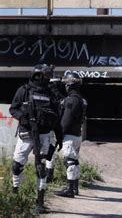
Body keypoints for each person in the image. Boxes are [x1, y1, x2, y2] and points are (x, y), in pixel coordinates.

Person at [9, 64, 62, 214]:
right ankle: (15, 194)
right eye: (45, 76)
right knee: (16, 165)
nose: (47, 79)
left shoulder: (51, 94)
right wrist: (22, 118)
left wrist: (60, 136)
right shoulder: (24, 90)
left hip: (44, 136)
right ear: (37, 75)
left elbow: (57, 117)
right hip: (26, 135)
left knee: (41, 169)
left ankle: (40, 202)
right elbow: (13, 108)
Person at [54, 72, 87, 198]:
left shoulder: (72, 100)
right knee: (74, 161)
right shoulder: (81, 99)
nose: (65, 86)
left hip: (70, 135)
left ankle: (70, 189)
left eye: (66, 84)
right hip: (77, 134)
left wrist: (59, 135)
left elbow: (66, 120)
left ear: (70, 85)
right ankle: (74, 188)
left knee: (69, 161)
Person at [45, 74, 66, 183]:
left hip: (50, 127)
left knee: (49, 151)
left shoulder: (48, 97)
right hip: (59, 127)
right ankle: (49, 175)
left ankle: (48, 176)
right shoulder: (63, 99)